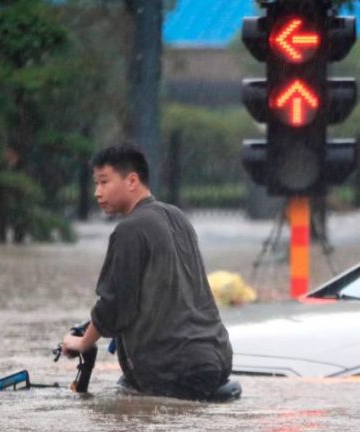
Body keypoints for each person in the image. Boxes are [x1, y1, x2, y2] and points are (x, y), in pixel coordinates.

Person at [59, 143, 233, 400]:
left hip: (171, 370)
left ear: (132, 180)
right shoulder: (178, 217)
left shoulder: (130, 229)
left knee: (113, 425)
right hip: (217, 359)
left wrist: (83, 342)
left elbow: (114, 304)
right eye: (95, 184)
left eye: (104, 182)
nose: (97, 192)